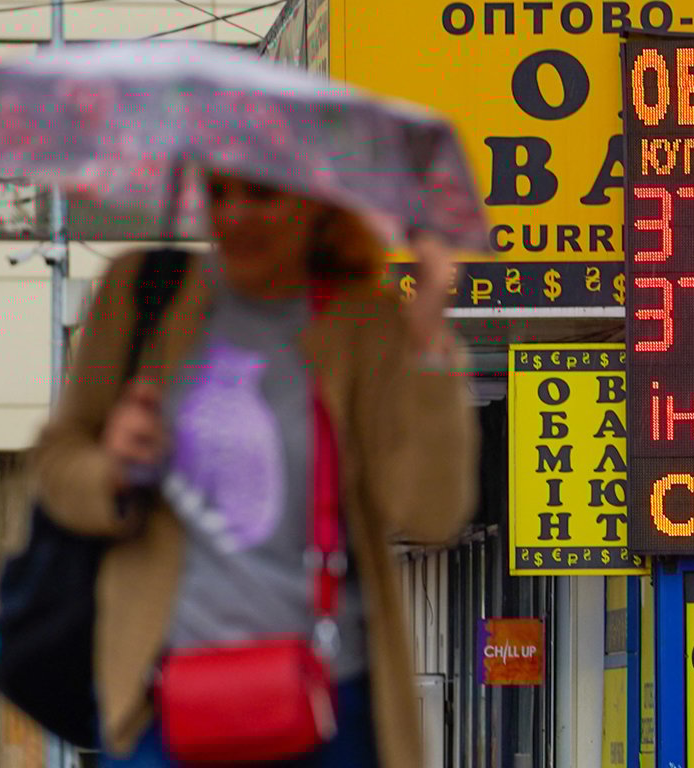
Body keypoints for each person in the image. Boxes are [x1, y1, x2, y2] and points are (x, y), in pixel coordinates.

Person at [31, 169, 477, 767]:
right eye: (219, 193)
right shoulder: (144, 292)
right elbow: (58, 464)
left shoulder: (360, 321)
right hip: (163, 698)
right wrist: (111, 466)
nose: (235, 215)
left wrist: (425, 342)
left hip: (327, 700)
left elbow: (429, 513)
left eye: (263, 195)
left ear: (313, 204)